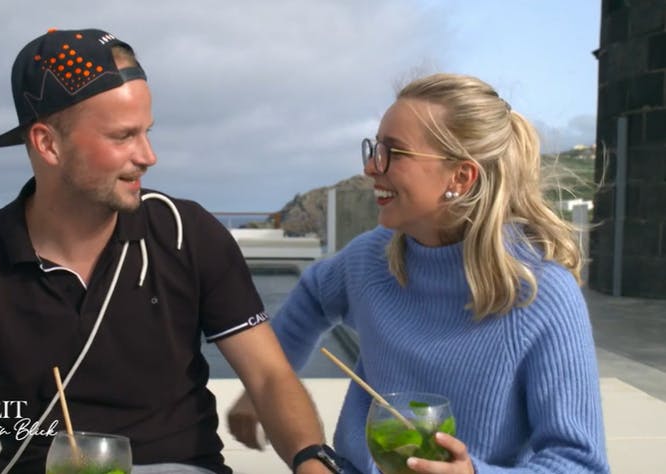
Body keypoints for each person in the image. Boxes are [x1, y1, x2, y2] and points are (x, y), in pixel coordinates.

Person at [0, 28, 340, 474]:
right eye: (123, 136)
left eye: (147, 132)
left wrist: (311, 460)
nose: (148, 155)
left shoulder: (188, 232)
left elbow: (269, 376)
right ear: (48, 144)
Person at [227, 73, 610, 473]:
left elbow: (581, 463)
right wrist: (266, 383)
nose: (371, 167)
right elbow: (312, 295)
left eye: (393, 152)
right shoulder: (369, 259)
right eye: (374, 148)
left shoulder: (541, 293)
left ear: (460, 177)